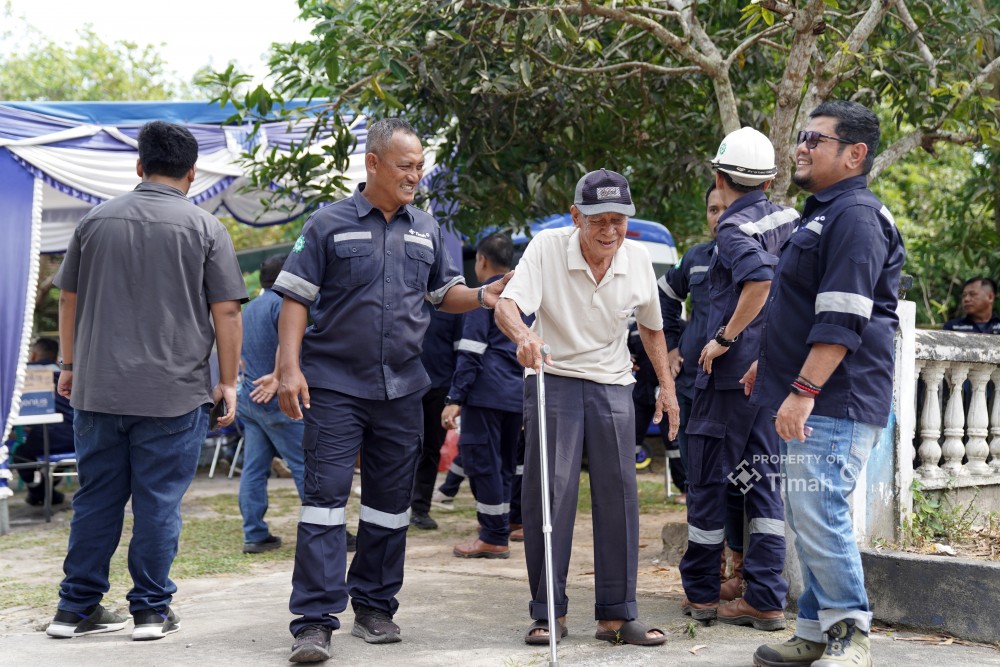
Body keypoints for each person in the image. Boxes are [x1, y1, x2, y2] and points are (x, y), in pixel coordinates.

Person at [272, 117, 510, 663]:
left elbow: (444, 293)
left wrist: (481, 297)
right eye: (406, 166)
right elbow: (295, 298)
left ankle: (375, 605)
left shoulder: (428, 229)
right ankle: (313, 620)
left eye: (420, 167)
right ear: (373, 163)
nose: (415, 176)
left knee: (389, 507)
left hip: (403, 389)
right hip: (334, 387)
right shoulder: (327, 224)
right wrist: (289, 367)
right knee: (325, 504)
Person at [47, 120, 246, 641]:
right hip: (173, 392)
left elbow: (68, 299)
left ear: (139, 166)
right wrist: (228, 381)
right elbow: (226, 311)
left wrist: (68, 365)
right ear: (192, 172)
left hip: (98, 388)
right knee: (157, 502)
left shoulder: (94, 221)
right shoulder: (206, 228)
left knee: (96, 499)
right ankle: (151, 612)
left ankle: (74, 610)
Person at [748, 100, 905, 667]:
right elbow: (796, 308)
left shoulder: (855, 216)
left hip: (835, 398)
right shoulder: (824, 213)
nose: (803, 147)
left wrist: (804, 391)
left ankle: (850, 633)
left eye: (817, 139)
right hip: (816, 393)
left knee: (820, 513)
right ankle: (815, 630)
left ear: (854, 153)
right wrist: (766, 367)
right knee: (808, 513)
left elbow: (843, 316)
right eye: (804, 137)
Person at [496, 168, 679, 648]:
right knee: (549, 497)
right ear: (576, 216)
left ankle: (617, 616)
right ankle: (547, 612)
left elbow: (653, 328)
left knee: (620, 498)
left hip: (614, 383)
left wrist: (667, 387)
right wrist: (524, 336)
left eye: (618, 220)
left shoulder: (636, 259)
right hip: (553, 378)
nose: (609, 230)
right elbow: (506, 306)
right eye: (598, 219)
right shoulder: (546, 248)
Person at [679, 127, 797, 630]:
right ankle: (766, 599)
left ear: (720, 176)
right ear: (769, 179)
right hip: (768, 383)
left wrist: (723, 337)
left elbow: (761, 282)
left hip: (726, 385)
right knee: (763, 488)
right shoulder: (791, 217)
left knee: (707, 484)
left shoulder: (732, 227)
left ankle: (703, 597)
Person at [660, 184, 746, 598]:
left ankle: (741, 568)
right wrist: (673, 347)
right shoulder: (695, 258)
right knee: (700, 482)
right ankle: (708, 577)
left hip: (739, 393)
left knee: (743, 482)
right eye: (712, 208)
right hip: (695, 390)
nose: (719, 216)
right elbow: (662, 297)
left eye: (726, 208)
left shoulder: (754, 255)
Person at [443, 232, 527, 559]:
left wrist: (454, 398)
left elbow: (471, 353)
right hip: (517, 394)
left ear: (481, 260)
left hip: (486, 394)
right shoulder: (522, 296)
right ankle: (501, 525)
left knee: (482, 462)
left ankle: (492, 536)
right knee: (506, 463)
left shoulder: (482, 298)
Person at [236, 254, 310, 553]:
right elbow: (286, 344)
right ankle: (325, 530)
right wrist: (279, 376)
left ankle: (254, 534)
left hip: (250, 399)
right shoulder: (284, 306)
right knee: (307, 466)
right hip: (279, 399)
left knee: (254, 469)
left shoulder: (248, 309)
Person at [409, 304, 463, 531]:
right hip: (402, 387)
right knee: (397, 449)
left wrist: (455, 396)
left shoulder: (452, 308)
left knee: (430, 449)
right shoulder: (403, 299)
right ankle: (393, 506)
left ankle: (420, 509)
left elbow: (461, 351)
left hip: (438, 388)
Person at [13, 338, 75, 507]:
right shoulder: (66, 374)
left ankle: (38, 492)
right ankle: (45, 493)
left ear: (33, 355)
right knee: (54, 462)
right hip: (77, 436)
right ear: (56, 357)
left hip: (46, 437)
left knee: (20, 454)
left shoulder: (25, 375)